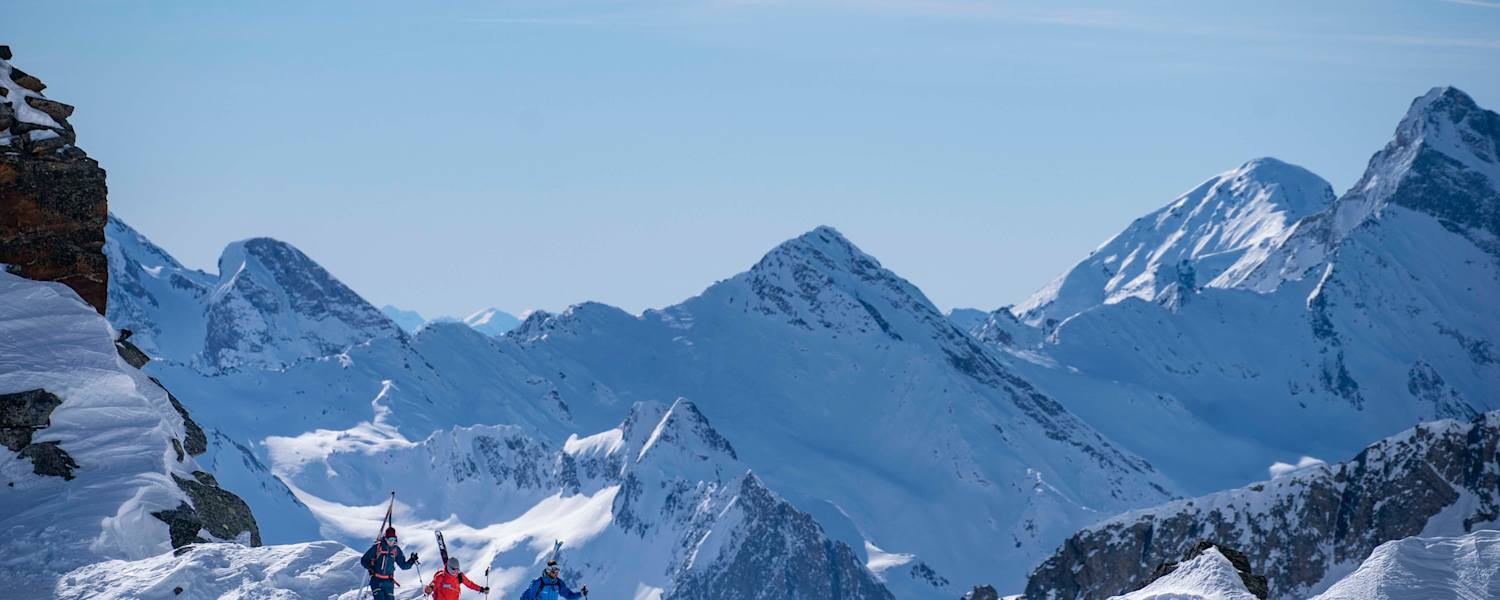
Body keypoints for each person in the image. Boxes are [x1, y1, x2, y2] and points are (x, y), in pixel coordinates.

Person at [359, 526, 418, 600]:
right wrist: (370, 567)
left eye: (393, 539)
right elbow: (363, 560)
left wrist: (411, 561)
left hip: (389, 582)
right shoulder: (378, 547)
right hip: (376, 580)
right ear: (385, 538)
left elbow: (403, 566)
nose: (391, 542)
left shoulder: (396, 550)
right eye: (389, 539)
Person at [425, 557, 490, 599]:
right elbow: (434, 584)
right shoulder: (441, 576)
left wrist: (482, 589)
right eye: (454, 569)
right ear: (448, 567)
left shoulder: (460, 576)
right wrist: (430, 588)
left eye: (457, 569)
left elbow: (470, 584)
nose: (456, 571)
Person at [519, 560, 587, 600]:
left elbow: (569, 595)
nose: (557, 573)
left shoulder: (558, 583)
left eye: (558, 570)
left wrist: (581, 594)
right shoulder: (539, 583)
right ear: (549, 570)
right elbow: (525, 597)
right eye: (555, 570)